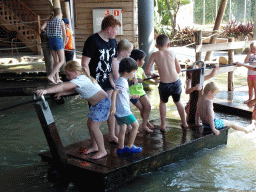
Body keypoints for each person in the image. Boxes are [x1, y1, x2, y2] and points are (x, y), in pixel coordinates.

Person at [36, 61, 110, 160]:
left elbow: (63, 86)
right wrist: (62, 93)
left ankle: (102, 150)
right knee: (90, 125)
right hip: (97, 104)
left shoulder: (81, 79)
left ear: (75, 72)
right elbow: (75, 89)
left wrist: (46, 91)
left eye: (68, 74)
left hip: (103, 103)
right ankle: (94, 146)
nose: (67, 77)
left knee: (94, 127)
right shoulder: (80, 79)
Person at [81, 15, 121, 144]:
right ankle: (95, 143)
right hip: (95, 82)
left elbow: (114, 61)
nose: (117, 33)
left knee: (111, 107)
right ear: (109, 29)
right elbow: (84, 64)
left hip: (108, 81)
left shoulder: (113, 41)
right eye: (116, 30)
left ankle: (112, 135)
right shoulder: (92, 40)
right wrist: (90, 82)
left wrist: (118, 80)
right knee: (93, 115)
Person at [146, 34, 188, 131]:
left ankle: (163, 125)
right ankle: (184, 123)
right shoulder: (172, 53)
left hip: (164, 84)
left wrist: (154, 74)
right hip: (176, 83)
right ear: (168, 44)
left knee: (163, 103)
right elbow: (178, 70)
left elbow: (147, 71)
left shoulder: (154, 55)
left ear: (156, 46)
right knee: (178, 102)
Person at [110, 58, 142, 154]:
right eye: (133, 72)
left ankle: (121, 148)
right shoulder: (122, 81)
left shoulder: (121, 80)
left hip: (120, 111)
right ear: (126, 72)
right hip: (124, 110)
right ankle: (130, 145)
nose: (134, 74)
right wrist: (113, 106)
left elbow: (122, 94)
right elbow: (114, 93)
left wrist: (132, 96)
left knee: (122, 129)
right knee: (136, 125)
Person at [129, 49, 159, 133]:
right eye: (143, 60)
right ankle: (145, 124)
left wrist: (155, 82)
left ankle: (144, 124)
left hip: (141, 92)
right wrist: (134, 80)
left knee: (148, 107)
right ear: (138, 61)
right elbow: (127, 81)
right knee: (143, 109)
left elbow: (145, 80)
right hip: (132, 93)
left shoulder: (141, 70)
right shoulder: (130, 69)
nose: (144, 62)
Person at [41, 8, 66, 84]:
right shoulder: (60, 21)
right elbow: (64, 35)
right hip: (58, 40)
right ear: (59, 13)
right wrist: (64, 43)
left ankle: (57, 78)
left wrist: (47, 32)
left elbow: (41, 28)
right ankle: (51, 76)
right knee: (62, 61)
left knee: (56, 61)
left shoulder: (48, 21)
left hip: (50, 41)